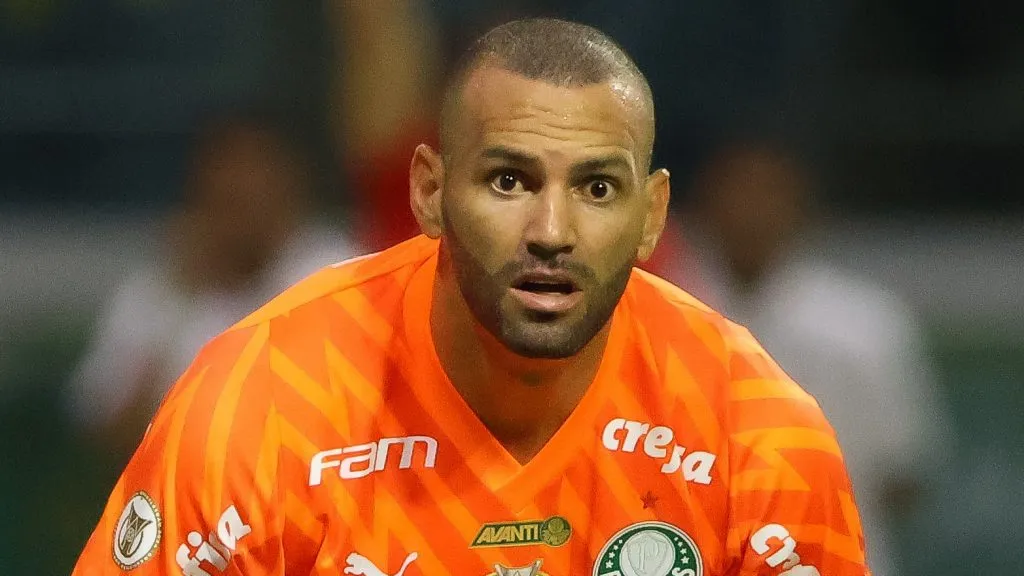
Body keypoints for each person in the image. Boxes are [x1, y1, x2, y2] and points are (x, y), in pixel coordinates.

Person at [73, 19, 868, 575]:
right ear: (428, 191)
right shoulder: (265, 401)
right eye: (509, 180)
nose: (551, 230)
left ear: (651, 216)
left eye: (596, 187)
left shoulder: (754, 429)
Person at [668, 138, 948, 576]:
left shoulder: (865, 323)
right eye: (736, 193)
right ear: (703, 207)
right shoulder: (660, 314)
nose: (751, 211)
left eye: (768, 194)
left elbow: (904, 474)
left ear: (800, 208)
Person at [64, 110, 358, 458]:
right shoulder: (163, 286)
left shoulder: (337, 269)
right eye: (226, 194)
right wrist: (180, 300)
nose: (239, 209)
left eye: (252, 187)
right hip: (188, 489)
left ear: (289, 187)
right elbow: (111, 433)